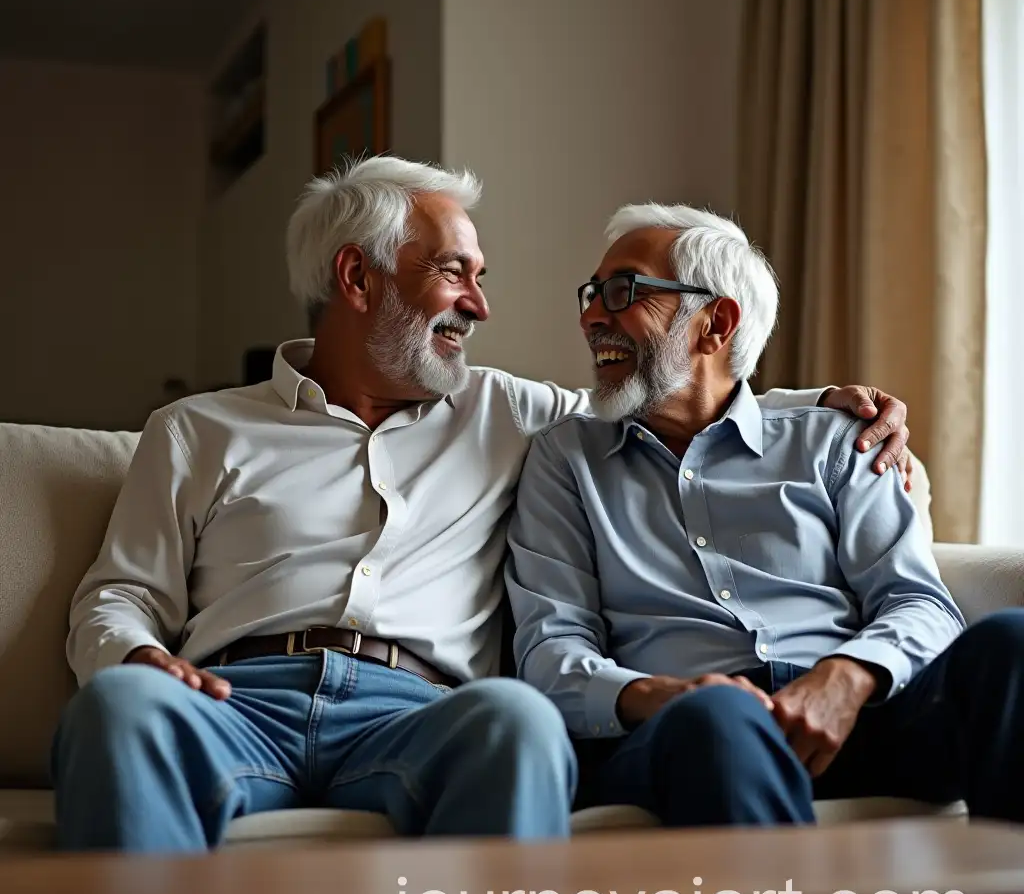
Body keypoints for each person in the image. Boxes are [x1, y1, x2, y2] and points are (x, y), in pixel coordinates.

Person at [53, 158, 912, 852]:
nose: (480, 304)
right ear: (356, 276)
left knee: (517, 718)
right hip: (234, 701)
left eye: (480, 276)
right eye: (454, 272)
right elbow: (121, 593)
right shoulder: (197, 429)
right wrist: (130, 655)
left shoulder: (510, 410)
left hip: (422, 715)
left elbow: (678, 396)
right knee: (118, 709)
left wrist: (833, 409)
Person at [505, 201, 1024, 830]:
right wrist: (663, 695)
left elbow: (920, 602)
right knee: (719, 721)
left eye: (623, 292)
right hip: (686, 731)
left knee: (1011, 643)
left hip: (853, 718)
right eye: (592, 294)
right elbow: (551, 646)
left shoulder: (835, 442)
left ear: (715, 323)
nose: (591, 316)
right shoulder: (566, 457)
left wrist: (847, 677)